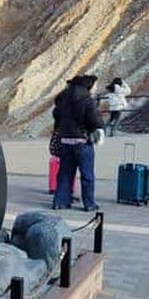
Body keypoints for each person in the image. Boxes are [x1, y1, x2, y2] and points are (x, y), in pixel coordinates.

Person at [52, 74, 104, 212]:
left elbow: (56, 114)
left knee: (65, 173)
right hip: (82, 141)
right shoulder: (87, 100)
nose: (95, 88)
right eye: (95, 85)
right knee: (87, 175)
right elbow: (96, 122)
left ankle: (60, 202)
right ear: (88, 86)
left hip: (65, 141)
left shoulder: (63, 99)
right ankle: (89, 204)